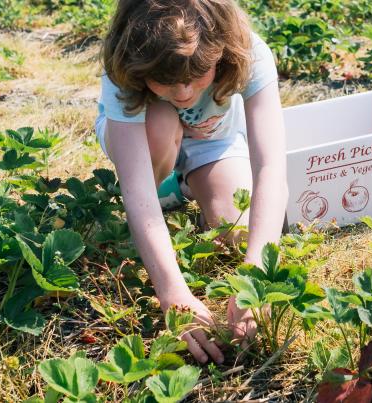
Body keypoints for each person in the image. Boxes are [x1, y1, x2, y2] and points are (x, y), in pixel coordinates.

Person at [95, 0, 288, 365]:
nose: (184, 92)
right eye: (166, 80)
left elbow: (271, 168)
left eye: (197, 75)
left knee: (237, 230)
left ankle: (184, 186)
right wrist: (172, 293)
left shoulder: (250, 52)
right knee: (162, 123)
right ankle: (163, 183)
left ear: (223, 53)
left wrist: (256, 280)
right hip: (146, 134)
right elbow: (135, 191)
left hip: (212, 141)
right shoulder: (123, 68)